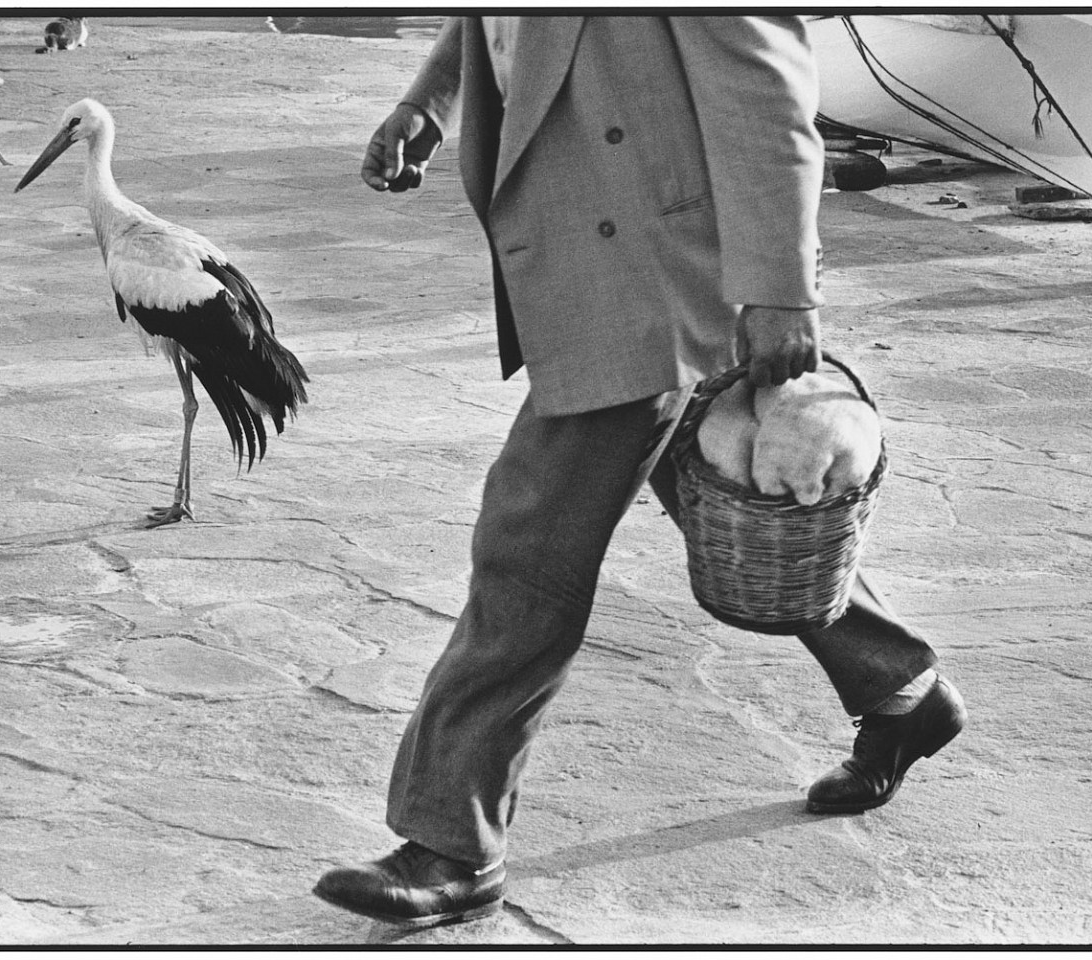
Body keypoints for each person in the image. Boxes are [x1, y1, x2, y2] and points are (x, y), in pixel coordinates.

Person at [314, 15, 966, 929]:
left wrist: (780, 286)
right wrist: (431, 100)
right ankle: (903, 690)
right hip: (586, 250)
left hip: (654, 268)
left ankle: (452, 846)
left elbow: (766, 84)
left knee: (527, 546)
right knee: (710, 506)